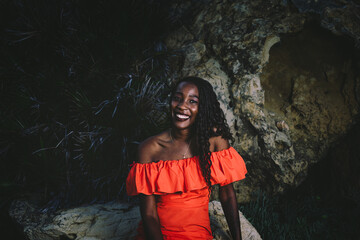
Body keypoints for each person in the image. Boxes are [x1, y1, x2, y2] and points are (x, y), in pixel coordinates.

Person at [126, 76, 247, 240]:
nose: (182, 106)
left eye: (192, 101)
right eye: (177, 98)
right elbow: (149, 214)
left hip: (197, 234)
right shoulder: (149, 149)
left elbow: (227, 194)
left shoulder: (213, 141)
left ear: (202, 108)